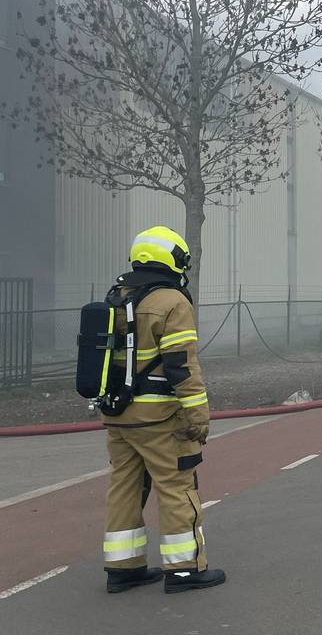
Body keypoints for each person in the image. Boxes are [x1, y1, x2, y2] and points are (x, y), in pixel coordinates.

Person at [100, 226, 226, 594]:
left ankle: (123, 568)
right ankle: (185, 569)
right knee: (176, 485)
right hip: (158, 417)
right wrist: (198, 415)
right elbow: (181, 365)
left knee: (124, 486)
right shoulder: (172, 301)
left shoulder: (119, 295)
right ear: (172, 259)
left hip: (116, 414)